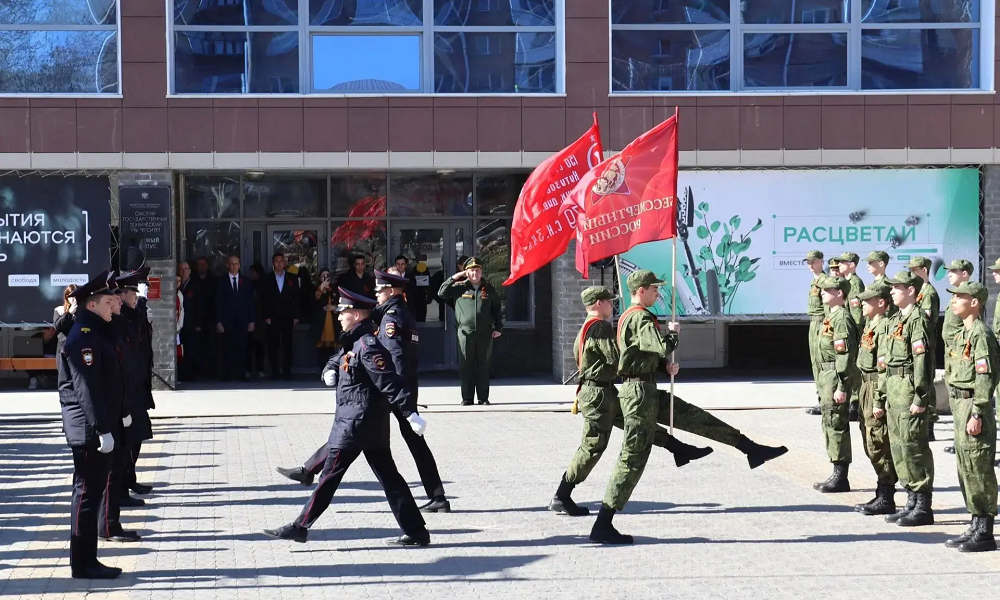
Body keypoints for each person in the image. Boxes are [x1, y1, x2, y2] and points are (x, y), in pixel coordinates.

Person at [549, 286, 785, 517]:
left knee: (647, 426)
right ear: (598, 304)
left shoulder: (587, 328)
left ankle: (684, 449)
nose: (612, 305)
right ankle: (565, 496)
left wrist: (656, 365)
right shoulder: (599, 327)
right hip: (601, 394)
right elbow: (617, 359)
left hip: (606, 392)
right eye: (609, 302)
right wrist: (663, 347)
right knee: (596, 446)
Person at [263, 288, 431, 546]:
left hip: (356, 425)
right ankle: (417, 531)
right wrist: (328, 371)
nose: (339, 316)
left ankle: (300, 525)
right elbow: (338, 359)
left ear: (356, 315)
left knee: (329, 478)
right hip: (360, 423)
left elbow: (389, 382)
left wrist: (410, 413)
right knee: (390, 479)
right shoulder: (356, 341)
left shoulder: (368, 346)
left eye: (343, 312)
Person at [277, 270, 454, 513]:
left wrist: (399, 398)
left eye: (380, 291)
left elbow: (395, 358)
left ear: (390, 292)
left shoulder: (392, 319)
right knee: (385, 439)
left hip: (391, 390)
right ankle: (437, 496)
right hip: (398, 389)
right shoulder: (397, 312)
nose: (377, 294)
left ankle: (309, 471)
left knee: (352, 432)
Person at [588, 270, 676, 544]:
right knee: (631, 457)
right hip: (635, 391)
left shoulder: (627, 316)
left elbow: (641, 353)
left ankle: (742, 446)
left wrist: (662, 367)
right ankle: (602, 523)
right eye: (654, 289)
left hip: (636, 387)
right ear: (642, 290)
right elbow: (659, 346)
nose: (658, 294)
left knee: (634, 454)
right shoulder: (638, 317)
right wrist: (673, 337)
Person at [58, 271, 126, 579]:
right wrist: (101, 428)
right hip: (88, 428)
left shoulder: (95, 331)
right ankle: (82, 563)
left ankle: (87, 560)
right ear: (94, 304)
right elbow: (86, 387)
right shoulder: (83, 336)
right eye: (110, 302)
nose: (115, 306)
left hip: (96, 424)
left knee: (92, 493)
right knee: (86, 494)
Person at [942, 281, 998, 552]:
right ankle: (975, 522)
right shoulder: (962, 334)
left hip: (975, 408)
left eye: (960, 297)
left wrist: (977, 412)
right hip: (960, 405)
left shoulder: (980, 335)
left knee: (979, 468)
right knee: (965, 468)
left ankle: (985, 532)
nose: (954, 301)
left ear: (974, 302)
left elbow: (985, 378)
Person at [884, 270, 935, 527]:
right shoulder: (896, 320)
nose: (891, 291)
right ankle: (911, 500)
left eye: (897, 287)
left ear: (911, 291)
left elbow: (921, 361)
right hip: (894, 388)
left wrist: (920, 396)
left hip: (908, 389)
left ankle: (923, 505)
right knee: (899, 447)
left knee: (914, 446)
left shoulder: (918, 320)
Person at [852, 283, 899, 516]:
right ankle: (882, 490)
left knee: (878, 439)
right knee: (869, 438)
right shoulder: (871, 324)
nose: (862, 303)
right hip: (865, 385)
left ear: (881, 303)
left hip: (875, 386)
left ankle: (887, 494)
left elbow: (883, 368)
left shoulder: (883, 327)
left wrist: (879, 399)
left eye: (867, 300)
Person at [811, 275, 860, 493]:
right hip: (825, 375)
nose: (822, 292)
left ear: (839, 293)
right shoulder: (831, 317)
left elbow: (845, 356)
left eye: (827, 290)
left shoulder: (841, 318)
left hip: (834, 375)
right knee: (829, 422)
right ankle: (835, 469)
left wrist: (842, 385)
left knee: (836, 423)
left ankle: (841, 475)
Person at [437, 257, 504, 406]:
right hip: (465, 333)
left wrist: (498, 328)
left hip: (485, 333)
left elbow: (497, 310)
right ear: (466, 272)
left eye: (477, 270)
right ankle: (467, 397)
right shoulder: (459, 287)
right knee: (466, 365)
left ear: (481, 272)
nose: (475, 274)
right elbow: (441, 292)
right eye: (472, 271)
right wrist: (455, 277)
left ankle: (483, 397)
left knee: (483, 365)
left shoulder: (489, 288)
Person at [115, 269, 156, 500]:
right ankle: (122, 486)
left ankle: (129, 479)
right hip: (128, 390)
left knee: (138, 435)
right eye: (134, 292)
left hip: (139, 386)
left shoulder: (133, 312)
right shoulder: (122, 317)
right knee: (130, 438)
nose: (138, 296)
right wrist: (140, 305)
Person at [941, 259, 974, 455]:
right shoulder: (955, 294)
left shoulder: (967, 294)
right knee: (954, 398)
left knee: (962, 398)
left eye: (954, 271)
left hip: (960, 353)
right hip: (952, 353)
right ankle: (959, 438)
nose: (949, 274)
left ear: (965, 273)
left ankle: (964, 438)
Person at [909, 256, 941, 440]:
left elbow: (926, 320)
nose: (912, 272)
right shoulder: (919, 292)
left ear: (925, 270)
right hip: (919, 340)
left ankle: (929, 424)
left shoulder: (928, 293)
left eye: (915, 269)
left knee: (927, 380)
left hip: (926, 341)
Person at [215, 255, 256, 382]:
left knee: (242, 347)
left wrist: (252, 320)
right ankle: (227, 374)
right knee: (227, 348)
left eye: (237, 264)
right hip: (227, 321)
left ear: (239, 265)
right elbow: (217, 302)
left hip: (243, 320)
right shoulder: (221, 281)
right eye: (232, 264)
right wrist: (218, 321)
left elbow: (251, 302)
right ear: (227, 265)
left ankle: (241, 373)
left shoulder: (246, 281)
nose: (234, 266)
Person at [262, 253, 299, 380]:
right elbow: (264, 299)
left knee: (287, 344)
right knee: (273, 344)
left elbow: (297, 298)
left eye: (281, 261)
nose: (279, 263)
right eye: (277, 261)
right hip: (272, 317)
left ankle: (287, 371)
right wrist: (266, 315)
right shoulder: (267, 278)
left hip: (288, 316)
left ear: (285, 263)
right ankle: (275, 371)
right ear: (273, 263)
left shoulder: (292, 278)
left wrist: (296, 316)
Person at [839, 252, 866, 423]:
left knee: (855, 367)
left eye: (843, 262)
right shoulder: (847, 282)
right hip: (848, 330)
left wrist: (856, 334)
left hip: (854, 331)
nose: (840, 265)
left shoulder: (855, 284)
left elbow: (857, 313)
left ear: (852, 265)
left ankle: (855, 404)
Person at [804, 250, 826, 417]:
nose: (811, 265)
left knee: (822, 362)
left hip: (821, 323)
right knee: (815, 362)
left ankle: (825, 400)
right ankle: (821, 398)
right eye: (808, 262)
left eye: (814, 261)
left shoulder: (825, 281)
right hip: (814, 322)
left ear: (821, 261)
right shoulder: (815, 281)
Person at [177, 262, 204, 380]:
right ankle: (181, 374)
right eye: (181, 269)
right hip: (178, 325)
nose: (184, 272)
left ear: (190, 271)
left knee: (191, 349)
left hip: (191, 324)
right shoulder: (176, 284)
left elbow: (201, 306)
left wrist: (199, 323)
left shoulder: (196, 285)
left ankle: (191, 374)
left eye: (186, 269)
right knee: (180, 350)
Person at [312, 268, 338, 368]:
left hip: (332, 322)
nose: (326, 278)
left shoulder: (335, 289)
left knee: (332, 349)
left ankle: (332, 369)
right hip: (321, 323)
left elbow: (341, 303)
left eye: (328, 275)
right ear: (319, 277)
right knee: (321, 349)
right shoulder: (316, 289)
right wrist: (321, 288)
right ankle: (322, 369)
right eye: (324, 276)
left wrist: (334, 307)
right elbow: (313, 302)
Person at [247, 264, 268, 378]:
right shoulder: (246, 284)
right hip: (248, 318)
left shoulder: (263, 286)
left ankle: (260, 369)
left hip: (261, 319)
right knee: (248, 346)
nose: (251, 274)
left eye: (253, 272)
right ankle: (248, 369)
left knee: (260, 345)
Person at [866, 250, 896, 317]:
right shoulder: (874, 283)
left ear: (881, 264)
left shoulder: (886, 285)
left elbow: (891, 309)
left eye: (871, 262)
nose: (867, 265)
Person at [54, 284, 79, 356]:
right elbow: (58, 327)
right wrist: (69, 313)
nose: (74, 298)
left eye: (76, 295)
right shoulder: (60, 310)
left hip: (79, 347)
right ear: (67, 297)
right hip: (64, 348)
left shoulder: (84, 311)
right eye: (72, 296)